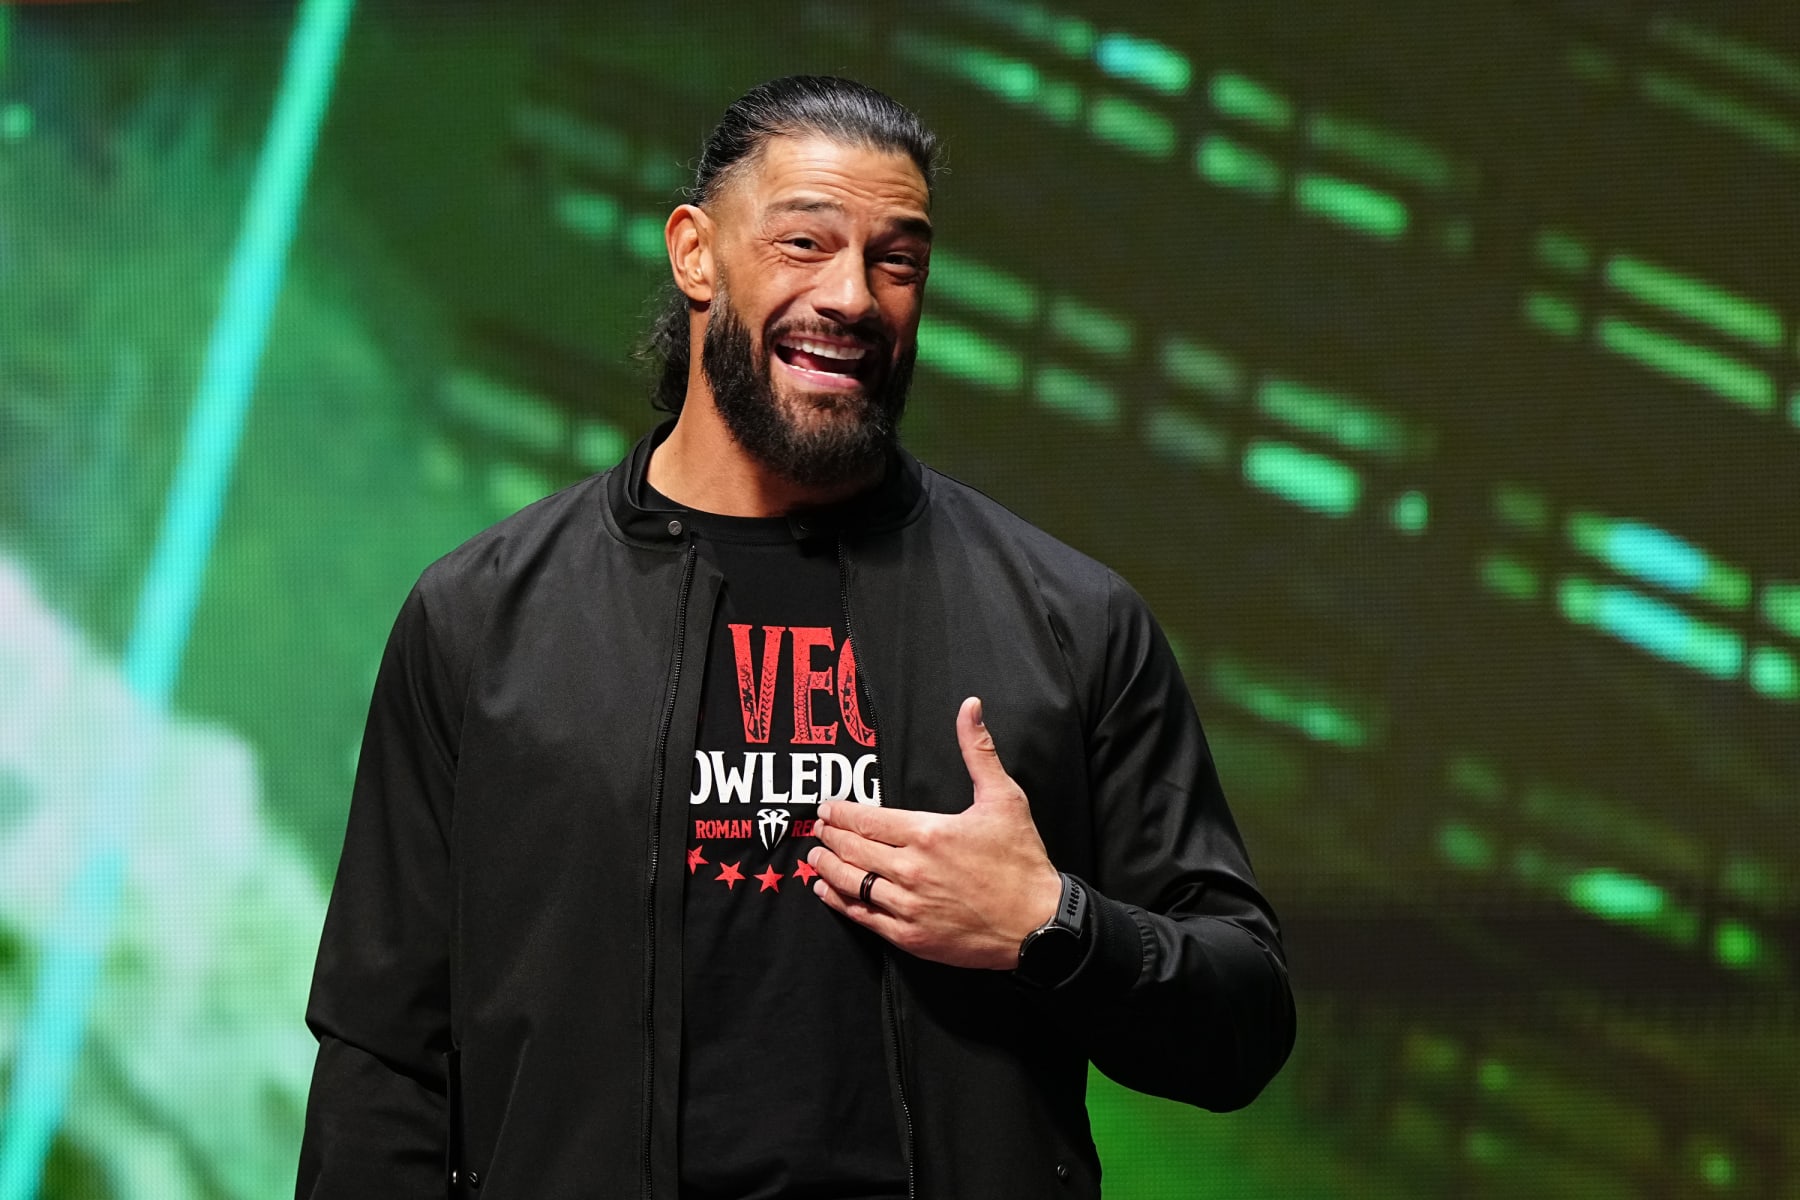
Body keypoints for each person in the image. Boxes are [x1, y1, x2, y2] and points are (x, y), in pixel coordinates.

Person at [297, 75, 1294, 1200]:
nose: (854, 296)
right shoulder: (480, 619)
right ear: (696, 255)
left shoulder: (1071, 625)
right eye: (805, 242)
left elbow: (1244, 1020)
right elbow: (382, 1062)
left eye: (897, 260)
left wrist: (1051, 925)